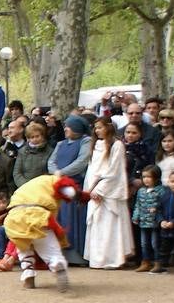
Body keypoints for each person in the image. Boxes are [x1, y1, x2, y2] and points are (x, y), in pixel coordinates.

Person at [2, 174, 88, 291]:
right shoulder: (55, 181)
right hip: (37, 215)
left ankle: (28, 276)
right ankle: (57, 263)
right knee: (50, 249)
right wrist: (82, 196)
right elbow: (70, 192)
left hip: (15, 217)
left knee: (23, 248)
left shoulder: (29, 185)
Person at [83, 117, 133, 269]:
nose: (97, 131)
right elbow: (91, 171)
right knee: (97, 223)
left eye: (100, 127)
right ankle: (97, 259)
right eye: (95, 128)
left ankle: (113, 258)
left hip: (109, 192)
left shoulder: (117, 145)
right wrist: (89, 191)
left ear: (108, 127)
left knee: (110, 224)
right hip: (93, 189)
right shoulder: (95, 145)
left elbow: (114, 170)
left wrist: (100, 190)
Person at [48, 115, 92, 266]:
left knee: (73, 222)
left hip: (75, 186)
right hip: (59, 186)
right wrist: (56, 173)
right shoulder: (60, 144)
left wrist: (62, 172)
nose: (66, 129)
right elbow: (51, 161)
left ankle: (77, 256)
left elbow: (81, 162)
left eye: (69, 126)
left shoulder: (85, 142)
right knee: (60, 221)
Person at [131, 165, 165, 273]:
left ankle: (158, 263)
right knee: (144, 243)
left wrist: (157, 209)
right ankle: (145, 262)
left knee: (155, 243)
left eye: (149, 177)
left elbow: (164, 205)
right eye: (144, 177)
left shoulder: (161, 191)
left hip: (155, 221)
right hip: (143, 222)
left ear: (156, 177)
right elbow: (138, 205)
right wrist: (135, 216)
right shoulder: (141, 191)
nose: (146, 179)